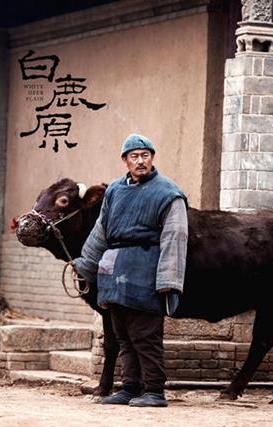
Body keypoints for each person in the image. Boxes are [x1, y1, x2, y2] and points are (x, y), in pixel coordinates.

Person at [73, 133, 188, 407]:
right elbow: (101, 231)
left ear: (152, 158)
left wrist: (169, 279)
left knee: (145, 336)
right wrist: (85, 265)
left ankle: (155, 392)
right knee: (123, 336)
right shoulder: (114, 190)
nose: (140, 161)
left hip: (145, 269)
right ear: (125, 161)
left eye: (145, 155)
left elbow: (176, 236)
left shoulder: (168, 192)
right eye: (134, 156)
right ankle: (129, 387)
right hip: (114, 271)